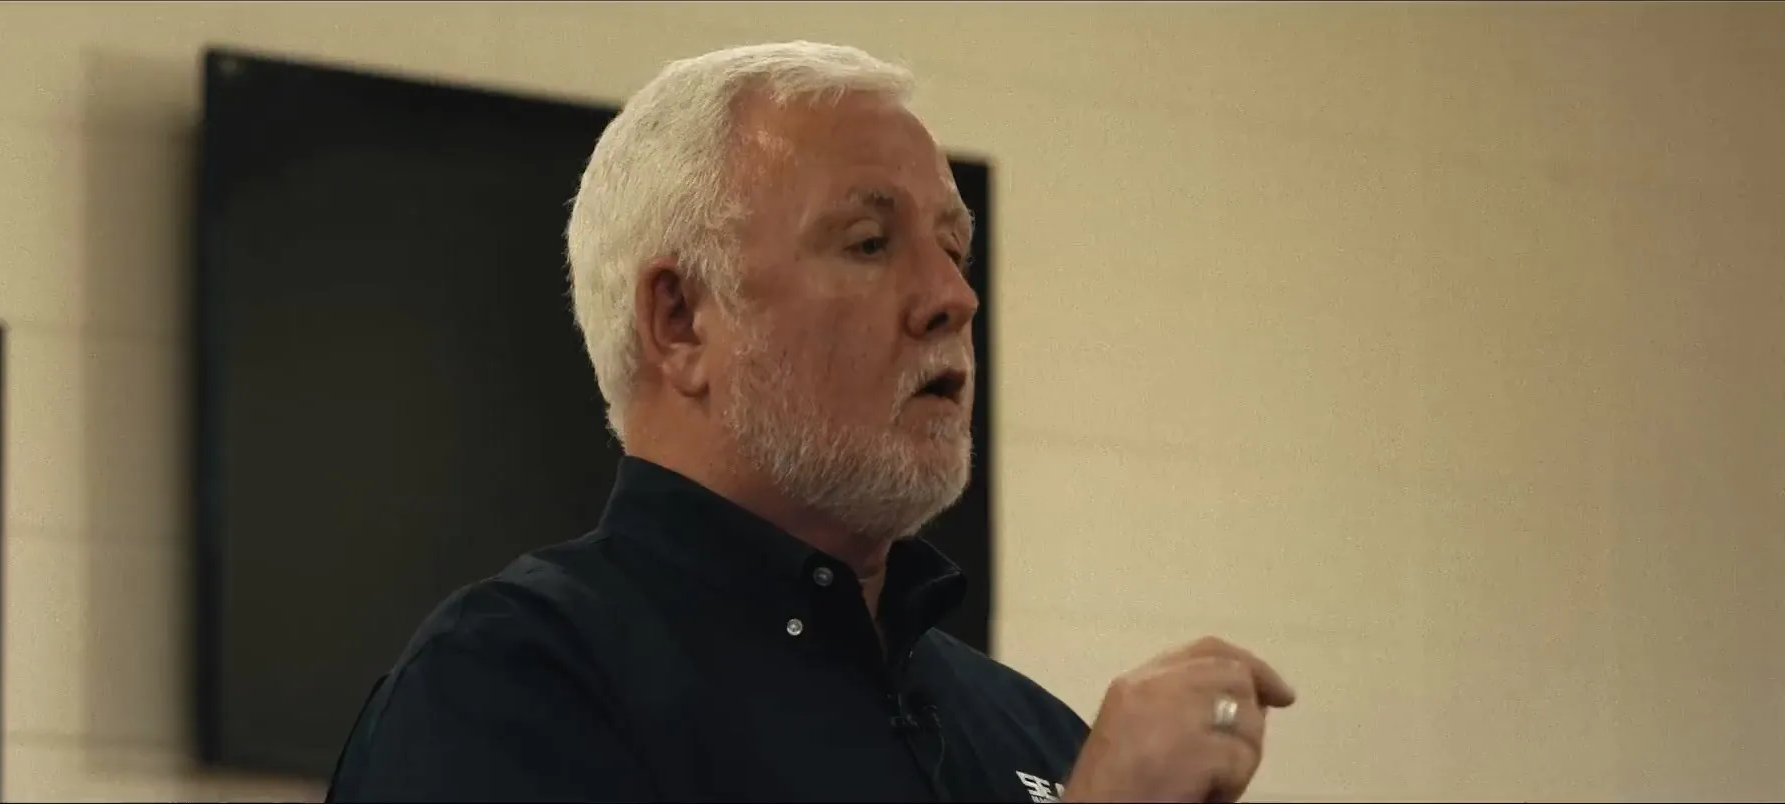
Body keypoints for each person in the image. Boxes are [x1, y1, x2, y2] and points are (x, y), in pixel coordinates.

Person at [324, 41, 1296, 803]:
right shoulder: (511, 686)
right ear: (681, 320)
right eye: (870, 242)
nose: (954, 297)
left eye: (955, 250)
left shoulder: (1034, 734)